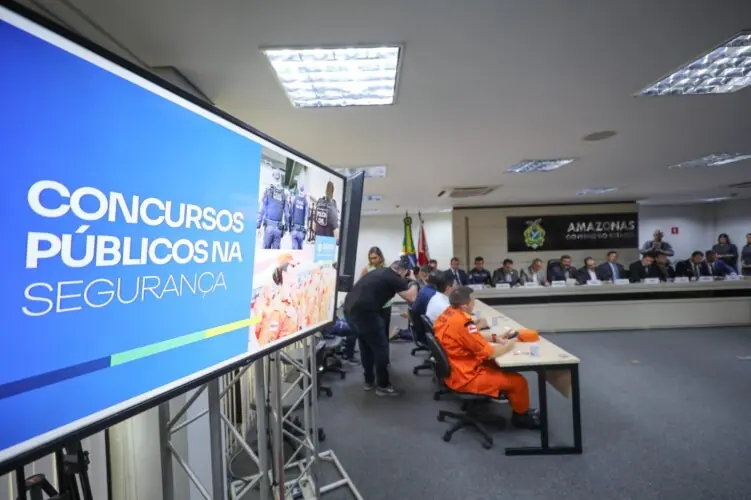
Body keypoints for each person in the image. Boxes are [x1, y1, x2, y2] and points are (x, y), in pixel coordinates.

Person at [433, 287, 540, 429]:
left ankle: (516, 406)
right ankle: (520, 418)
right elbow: (491, 353)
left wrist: (495, 337)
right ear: (464, 305)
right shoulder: (464, 323)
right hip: (466, 376)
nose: (474, 303)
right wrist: (513, 341)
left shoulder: (448, 314)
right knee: (518, 381)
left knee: (497, 367)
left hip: (455, 369)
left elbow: (467, 337)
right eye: (472, 301)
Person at [344, 258, 419, 396]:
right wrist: (414, 281)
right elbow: (411, 297)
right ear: (402, 271)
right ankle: (383, 385)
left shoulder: (380, 272)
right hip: (367, 314)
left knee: (365, 346)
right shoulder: (394, 277)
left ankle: (369, 381)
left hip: (350, 311)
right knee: (381, 348)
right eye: (405, 274)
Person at [360, 247, 395, 340]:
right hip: (372, 305)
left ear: (380, 257)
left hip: (385, 304)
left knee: (384, 330)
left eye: (375, 258)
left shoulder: (388, 269)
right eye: (371, 258)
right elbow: (360, 285)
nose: (373, 260)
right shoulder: (367, 269)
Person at [257, 170, 288, 249]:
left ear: (273, 177)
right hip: (278, 229)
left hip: (268, 228)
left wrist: (258, 224)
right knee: (275, 254)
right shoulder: (284, 194)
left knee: (265, 252)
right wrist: (286, 228)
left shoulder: (268, 190)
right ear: (280, 178)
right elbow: (287, 213)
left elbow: (263, 209)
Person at [286, 185, 309, 250]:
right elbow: (307, 216)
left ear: (298, 190)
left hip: (294, 229)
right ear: (304, 191)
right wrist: (305, 229)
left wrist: (289, 229)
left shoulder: (295, 199)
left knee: (294, 252)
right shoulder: (305, 201)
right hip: (301, 231)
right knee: (299, 252)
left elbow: (290, 214)